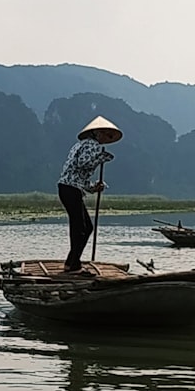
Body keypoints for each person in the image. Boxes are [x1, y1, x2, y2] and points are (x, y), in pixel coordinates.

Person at [57, 115, 123, 273]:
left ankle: (72, 262)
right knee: (82, 227)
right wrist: (101, 157)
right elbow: (84, 163)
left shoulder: (80, 145)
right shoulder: (91, 145)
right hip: (70, 188)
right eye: (105, 135)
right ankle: (72, 264)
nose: (106, 139)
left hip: (68, 188)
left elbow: (81, 176)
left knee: (83, 227)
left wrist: (94, 187)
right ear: (97, 133)